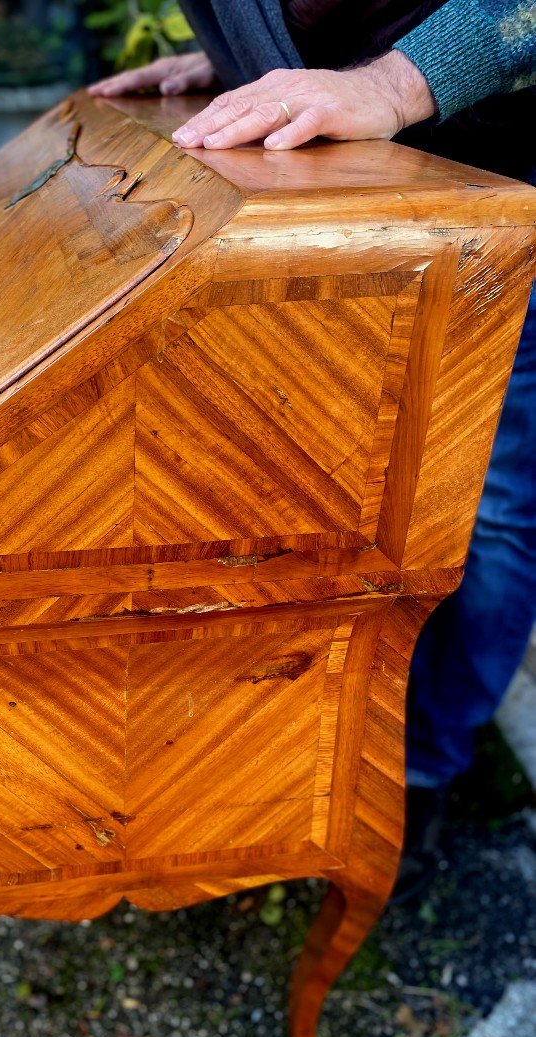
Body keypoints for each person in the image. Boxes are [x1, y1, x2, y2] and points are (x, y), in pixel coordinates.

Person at [89, 1, 536, 895]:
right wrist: (242, 68)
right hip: (365, 203)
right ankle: (318, 747)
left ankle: (424, 769)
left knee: (495, 512)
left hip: (509, 189)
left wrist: (391, 81)